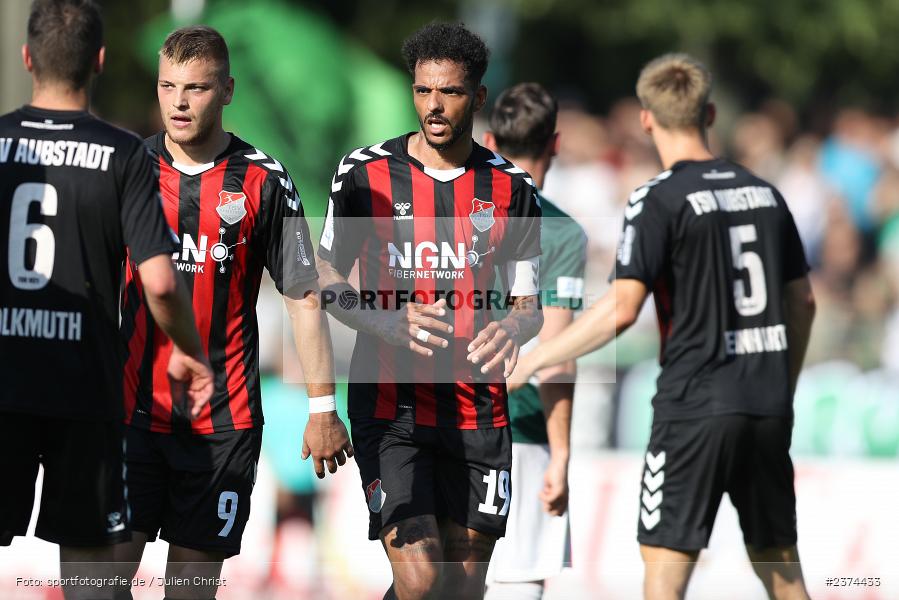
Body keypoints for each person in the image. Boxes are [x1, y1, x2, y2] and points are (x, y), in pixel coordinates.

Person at [511, 54, 815, 600]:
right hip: (765, 406)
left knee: (665, 576)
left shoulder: (659, 198)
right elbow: (805, 303)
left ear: (647, 119)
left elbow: (623, 307)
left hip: (693, 410)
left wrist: (533, 358)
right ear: (710, 112)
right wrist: (781, 391)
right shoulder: (768, 195)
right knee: (784, 575)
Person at [112, 25, 352, 600]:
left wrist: (322, 407)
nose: (179, 101)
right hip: (128, 416)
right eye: (168, 86)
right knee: (101, 583)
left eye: (196, 87)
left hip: (223, 423)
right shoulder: (125, 171)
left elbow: (303, 295)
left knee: (190, 592)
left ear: (227, 90)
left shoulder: (264, 181)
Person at [316, 22, 543, 600]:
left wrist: (513, 329)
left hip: (478, 410)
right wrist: (381, 319)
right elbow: (321, 274)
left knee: (461, 590)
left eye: (450, 92)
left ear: (480, 97)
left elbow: (529, 302)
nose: (434, 106)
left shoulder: (512, 188)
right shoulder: (364, 174)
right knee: (421, 581)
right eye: (422, 91)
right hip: (392, 409)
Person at [0, 1, 213, 599]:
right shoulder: (123, 154)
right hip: (86, 389)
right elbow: (162, 281)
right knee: (91, 567)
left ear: (27, 58)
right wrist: (187, 349)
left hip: (3, 382)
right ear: (99, 61)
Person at [481, 83, 586, 600]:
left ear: (489, 140)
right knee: (517, 584)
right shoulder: (562, 232)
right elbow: (556, 355)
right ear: (556, 143)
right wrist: (562, 452)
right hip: (520, 430)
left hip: (437, 423)